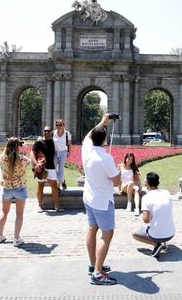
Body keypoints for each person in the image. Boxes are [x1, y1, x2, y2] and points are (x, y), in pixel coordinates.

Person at [82, 113, 121, 285]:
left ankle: (93, 265)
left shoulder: (87, 151)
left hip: (89, 199)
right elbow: (117, 181)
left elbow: (87, 138)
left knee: (92, 230)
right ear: (105, 139)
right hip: (102, 202)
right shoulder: (106, 158)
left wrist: (101, 123)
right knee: (107, 234)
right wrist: (119, 169)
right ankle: (97, 274)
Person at [132, 172, 175, 258]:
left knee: (134, 233)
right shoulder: (166, 193)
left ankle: (156, 244)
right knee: (161, 217)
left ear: (147, 183)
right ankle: (163, 242)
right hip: (171, 233)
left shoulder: (146, 198)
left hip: (156, 235)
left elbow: (146, 219)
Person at [0, 137, 30, 247]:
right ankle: (16, 238)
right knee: (19, 214)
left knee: (4, 212)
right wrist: (26, 150)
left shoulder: (1, 158)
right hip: (20, 187)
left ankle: (0, 235)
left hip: (7, 188)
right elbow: (29, 163)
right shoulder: (22, 159)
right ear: (17, 147)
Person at [31, 126, 64, 213]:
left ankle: (57, 206)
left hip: (51, 167)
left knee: (54, 186)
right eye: (45, 131)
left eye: (48, 131)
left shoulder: (54, 141)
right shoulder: (38, 142)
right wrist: (36, 165)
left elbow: (58, 153)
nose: (46, 132)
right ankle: (39, 206)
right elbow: (32, 153)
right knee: (40, 186)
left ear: (51, 132)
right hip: (41, 168)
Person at [53, 119, 71, 190]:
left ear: (63, 125)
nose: (58, 126)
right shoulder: (53, 133)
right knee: (53, 169)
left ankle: (58, 185)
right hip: (55, 152)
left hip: (63, 152)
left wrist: (69, 152)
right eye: (57, 125)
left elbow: (69, 144)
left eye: (60, 125)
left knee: (61, 169)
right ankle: (62, 180)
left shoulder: (67, 134)